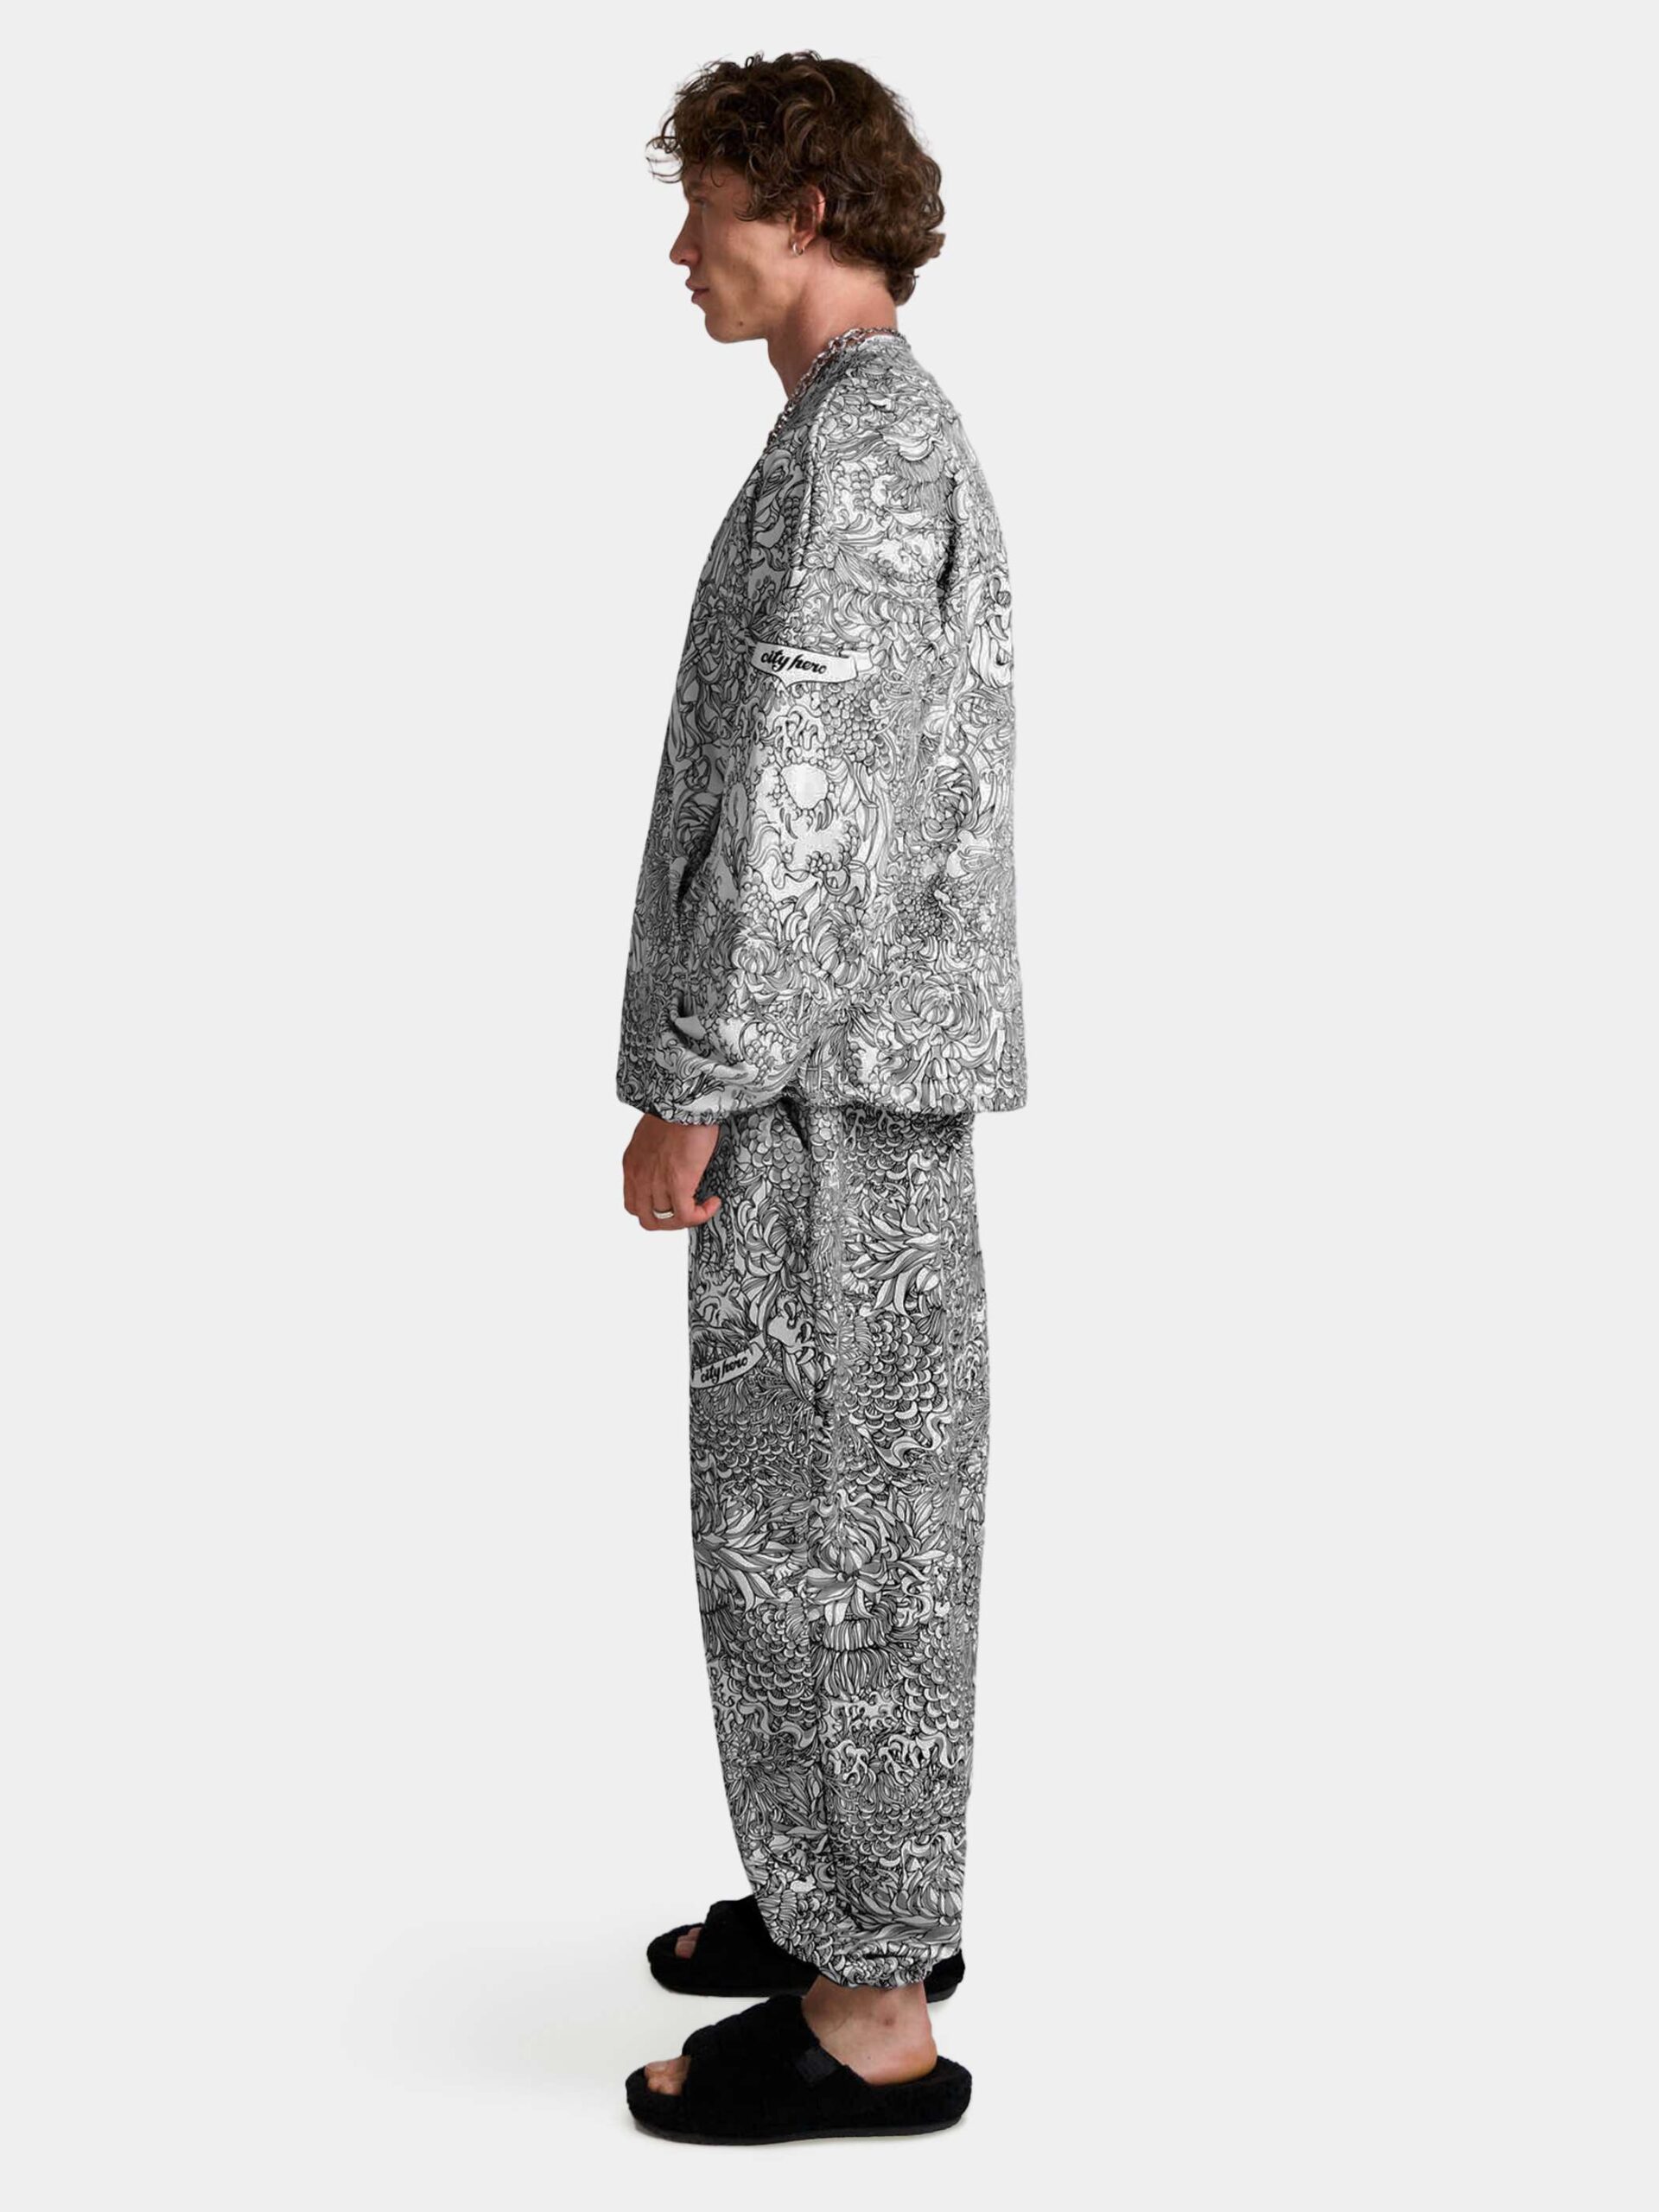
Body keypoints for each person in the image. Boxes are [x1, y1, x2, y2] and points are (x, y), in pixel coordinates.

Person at [614, 50, 1027, 2145]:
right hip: (845, 1077)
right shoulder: (859, 434)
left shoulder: (861, 456)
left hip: (816, 1094)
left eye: (708, 212)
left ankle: (870, 2008)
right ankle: (836, 1902)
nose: (682, 252)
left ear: (805, 209)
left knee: (830, 1531)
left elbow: (806, 815)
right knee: (821, 1514)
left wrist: (694, 1082)